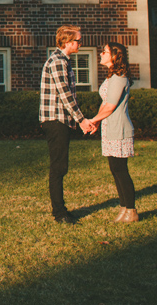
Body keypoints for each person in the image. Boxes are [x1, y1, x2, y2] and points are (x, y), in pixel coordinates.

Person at [39, 24, 96, 224]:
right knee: (58, 167)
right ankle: (59, 213)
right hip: (56, 120)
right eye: (78, 40)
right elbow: (65, 94)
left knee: (60, 166)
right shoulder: (57, 62)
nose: (81, 43)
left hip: (60, 119)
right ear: (67, 42)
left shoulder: (63, 60)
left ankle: (61, 210)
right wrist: (81, 120)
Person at [89, 42, 138, 223]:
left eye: (104, 52)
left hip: (120, 129)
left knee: (120, 170)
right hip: (109, 129)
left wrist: (93, 120)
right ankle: (124, 208)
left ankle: (131, 211)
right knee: (115, 169)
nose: (101, 54)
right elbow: (105, 103)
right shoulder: (111, 77)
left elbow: (110, 106)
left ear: (116, 56)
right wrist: (97, 122)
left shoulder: (120, 77)